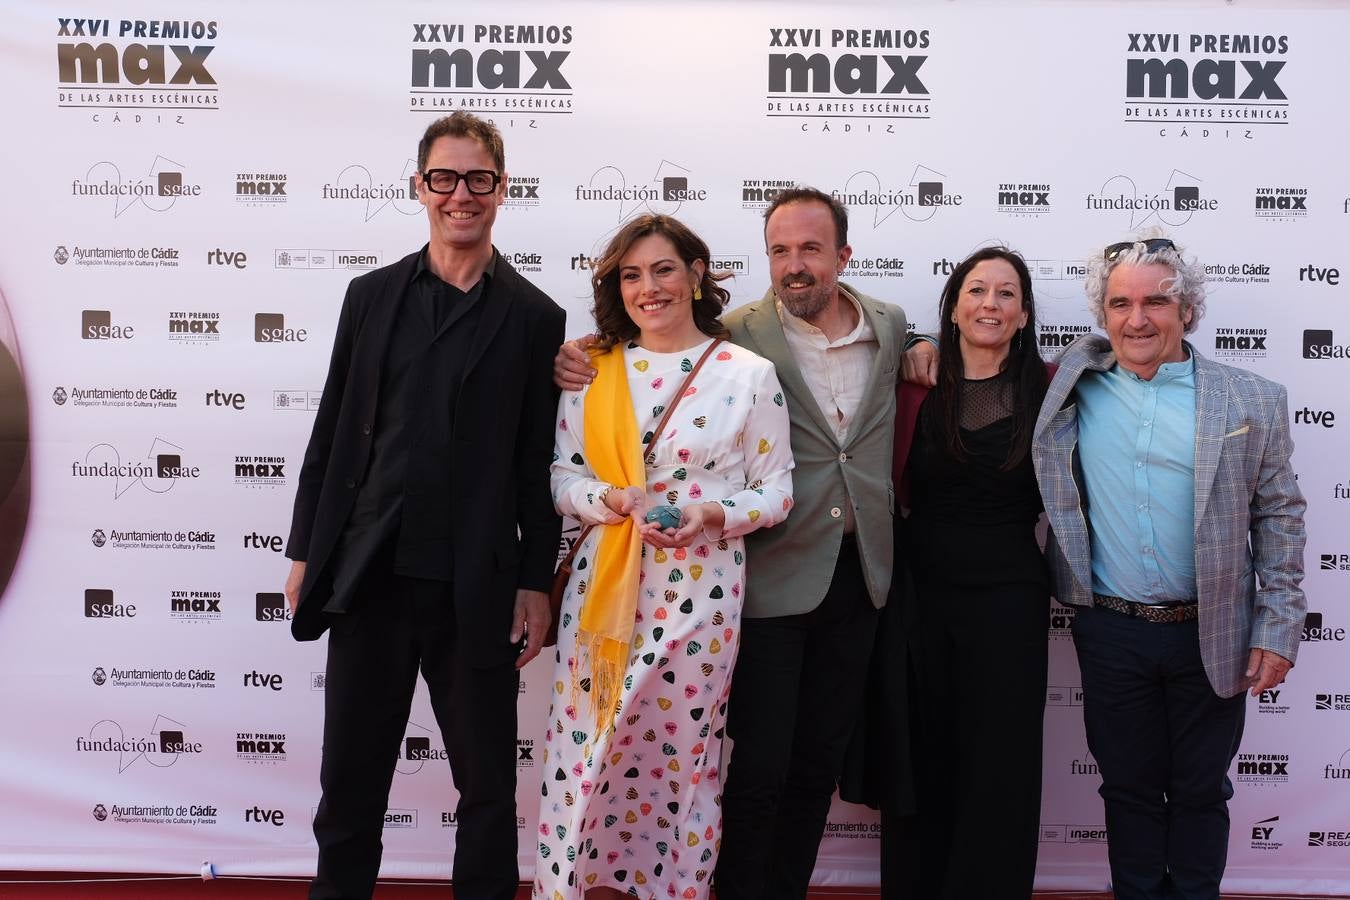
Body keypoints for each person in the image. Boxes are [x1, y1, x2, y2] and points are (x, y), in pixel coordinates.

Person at [554, 188, 934, 899]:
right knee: (758, 771)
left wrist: (925, 345)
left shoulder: (890, 323)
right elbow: (647, 345)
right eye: (780, 250)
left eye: (811, 249)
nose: (794, 265)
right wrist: (577, 355)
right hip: (766, 582)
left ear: (844, 256)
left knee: (818, 762)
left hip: (861, 578)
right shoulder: (735, 334)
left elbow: (901, 363)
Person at [283, 111, 565, 900]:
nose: (461, 195)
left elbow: (535, 463)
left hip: (472, 585)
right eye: (445, 178)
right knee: (350, 787)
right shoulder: (369, 296)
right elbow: (333, 428)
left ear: (502, 190)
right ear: (420, 187)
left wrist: (535, 581)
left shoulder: (537, 317)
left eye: (479, 179)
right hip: (368, 573)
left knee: (483, 795)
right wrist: (307, 549)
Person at [1032, 234, 1306, 900]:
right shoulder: (1072, 381)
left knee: (1200, 792)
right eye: (1121, 303)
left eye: (1157, 301)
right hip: (1111, 631)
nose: (1138, 319)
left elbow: (1280, 517)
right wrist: (919, 347)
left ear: (1188, 309)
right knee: (1126, 789)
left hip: (1211, 632)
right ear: (1101, 315)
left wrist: (1279, 624)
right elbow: (983, 352)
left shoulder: (1252, 399)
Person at [535, 213, 794, 900]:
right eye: (630, 275)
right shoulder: (591, 370)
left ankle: (675, 889)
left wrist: (712, 515)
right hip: (603, 600)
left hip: (700, 598)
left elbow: (776, 490)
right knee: (586, 754)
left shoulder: (747, 374)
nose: (648, 288)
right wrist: (614, 501)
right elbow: (563, 478)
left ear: (696, 274)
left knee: (682, 762)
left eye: (663, 270)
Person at [879, 248, 1052, 899]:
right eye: (976, 290)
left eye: (1006, 294)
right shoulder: (913, 386)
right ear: (952, 308)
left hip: (1010, 602)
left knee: (999, 768)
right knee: (921, 759)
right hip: (918, 598)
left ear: (1024, 312)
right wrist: (913, 346)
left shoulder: (1054, 388)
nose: (990, 304)